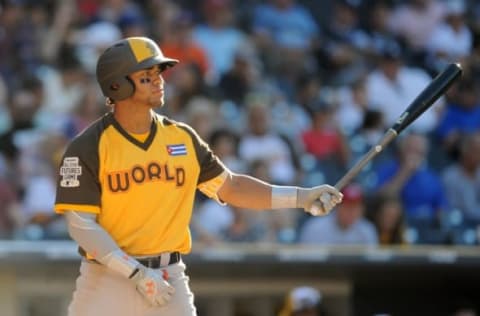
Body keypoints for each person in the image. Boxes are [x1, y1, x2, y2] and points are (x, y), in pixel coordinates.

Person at [53, 36, 343, 316]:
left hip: (168, 276)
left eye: (158, 73)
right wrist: (135, 273)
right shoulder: (87, 146)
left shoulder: (182, 137)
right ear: (117, 86)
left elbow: (231, 187)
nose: (159, 80)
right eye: (146, 76)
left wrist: (301, 197)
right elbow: (80, 225)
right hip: (108, 280)